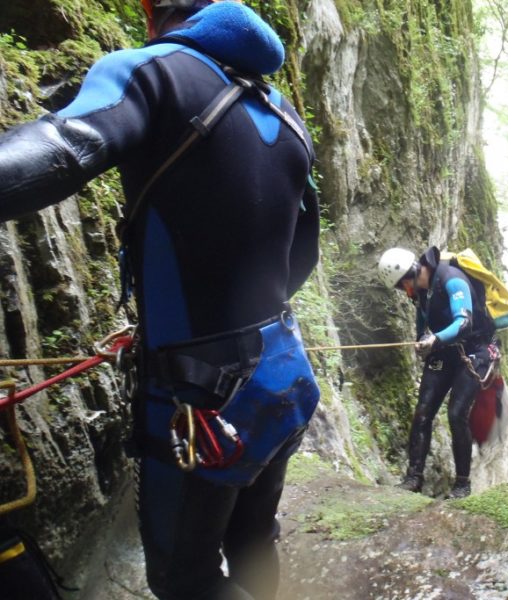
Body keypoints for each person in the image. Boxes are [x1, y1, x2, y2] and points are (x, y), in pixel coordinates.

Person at [0, 1, 320, 598]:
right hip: (284, 375)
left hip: (201, 400)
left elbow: (66, 147)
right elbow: (301, 257)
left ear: (152, 14)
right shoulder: (286, 116)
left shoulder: (151, 70)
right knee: (254, 542)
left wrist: (188, 327)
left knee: (184, 581)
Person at [378, 246, 498, 499]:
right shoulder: (422, 291)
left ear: (410, 274)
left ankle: (462, 484)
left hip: (474, 351)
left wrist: (434, 340)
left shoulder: (451, 279)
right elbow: (423, 322)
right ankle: (413, 478)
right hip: (443, 352)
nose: (404, 291)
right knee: (423, 411)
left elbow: (464, 322)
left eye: (402, 286)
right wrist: (422, 340)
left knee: (456, 414)